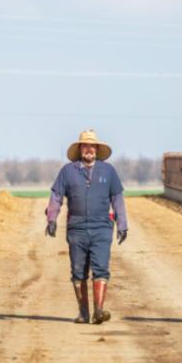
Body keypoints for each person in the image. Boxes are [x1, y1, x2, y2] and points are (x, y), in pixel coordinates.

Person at [45, 130, 128, 324]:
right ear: (80, 149)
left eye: (92, 146)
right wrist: (52, 218)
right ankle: (83, 313)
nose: (89, 149)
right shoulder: (67, 171)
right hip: (76, 227)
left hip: (101, 227)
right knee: (78, 270)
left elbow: (117, 198)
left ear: (97, 149)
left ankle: (99, 310)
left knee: (101, 267)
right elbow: (56, 196)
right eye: (85, 146)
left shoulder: (109, 171)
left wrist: (122, 224)